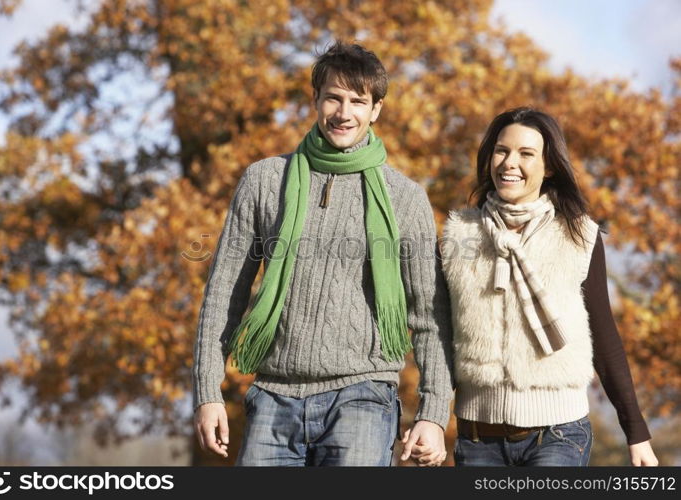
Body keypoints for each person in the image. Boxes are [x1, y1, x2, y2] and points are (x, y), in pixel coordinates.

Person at [192, 41, 453, 466]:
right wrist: (207, 393)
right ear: (315, 100)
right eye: (333, 97)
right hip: (273, 394)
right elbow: (224, 293)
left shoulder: (405, 198)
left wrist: (434, 413)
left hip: (364, 395)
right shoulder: (263, 180)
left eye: (358, 101)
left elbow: (429, 315)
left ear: (377, 110)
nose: (343, 112)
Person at [435, 107, 658, 466]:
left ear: (549, 166)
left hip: (558, 435)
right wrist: (430, 418)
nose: (509, 163)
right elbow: (439, 336)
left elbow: (604, 336)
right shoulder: (457, 234)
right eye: (501, 150)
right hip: (478, 439)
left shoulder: (580, 236)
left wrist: (636, 432)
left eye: (526, 154)